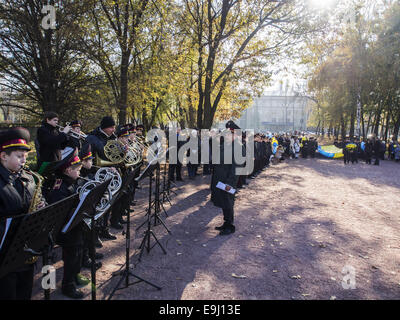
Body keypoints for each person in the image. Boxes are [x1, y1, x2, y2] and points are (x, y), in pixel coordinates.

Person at [0, 127, 45, 300]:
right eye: (19, 156)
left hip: (26, 252)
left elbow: (38, 199)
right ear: (3, 156)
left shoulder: (28, 177)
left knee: (25, 292)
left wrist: (42, 206)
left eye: (25, 156)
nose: (24, 160)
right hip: (6, 256)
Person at [46, 149, 89, 299]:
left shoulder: (73, 180)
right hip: (66, 230)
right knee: (72, 256)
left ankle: (75, 277)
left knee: (78, 252)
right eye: (77, 169)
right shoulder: (60, 187)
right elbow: (59, 213)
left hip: (76, 226)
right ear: (67, 170)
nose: (80, 171)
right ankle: (67, 286)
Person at [85, 117, 117, 240]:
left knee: (108, 204)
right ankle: (94, 236)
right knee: (97, 207)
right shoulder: (91, 138)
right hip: (96, 175)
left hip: (109, 175)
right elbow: (86, 161)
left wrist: (122, 152)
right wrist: (100, 169)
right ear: (105, 127)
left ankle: (104, 229)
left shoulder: (112, 138)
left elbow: (115, 156)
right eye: (111, 127)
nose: (113, 130)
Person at [211, 121, 240, 236]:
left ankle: (230, 226)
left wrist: (229, 183)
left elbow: (236, 168)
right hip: (220, 179)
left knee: (228, 202)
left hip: (228, 181)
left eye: (229, 134)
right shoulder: (226, 145)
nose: (226, 136)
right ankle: (226, 222)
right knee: (223, 202)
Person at [78, 144, 103, 269]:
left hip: (90, 209)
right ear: (82, 162)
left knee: (91, 232)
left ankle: (91, 252)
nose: (92, 162)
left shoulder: (89, 169)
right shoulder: (79, 174)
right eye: (89, 160)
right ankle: (85, 258)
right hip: (83, 212)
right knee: (85, 236)